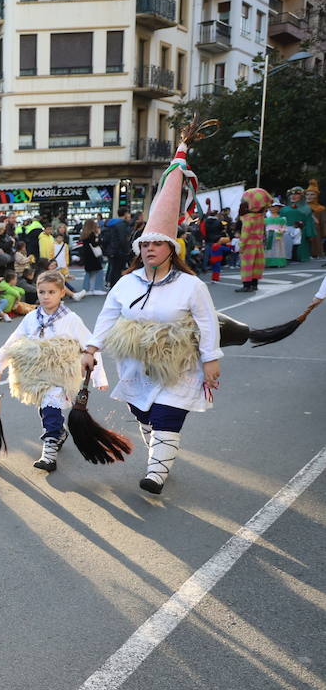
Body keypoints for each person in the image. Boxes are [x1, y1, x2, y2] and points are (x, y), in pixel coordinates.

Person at [85, 138, 222, 495]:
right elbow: (108, 315)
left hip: (178, 364)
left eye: (156, 244)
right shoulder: (126, 282)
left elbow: (207, 323)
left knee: (165, 417)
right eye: (145, 245)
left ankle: (156, 472)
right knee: (145, 415)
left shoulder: (191, 287)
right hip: (134, 363)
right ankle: (159, 456)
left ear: (170, 249)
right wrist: (91, 348)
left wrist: (210, 360)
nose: (149, 249)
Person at [0, 271, 108, 472]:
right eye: (41, 291)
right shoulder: (31, 318)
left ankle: (49, 451)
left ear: (62, 293)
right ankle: (59, 433)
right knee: (45, 408)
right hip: (37, 376)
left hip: (61, 375)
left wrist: (98, 377)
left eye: (51, 292)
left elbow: (90, 347)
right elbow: (13, 342)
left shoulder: (71, 320)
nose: (46, 296)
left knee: (51, 406)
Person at [235, 188, 272, 292]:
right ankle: (254, 284)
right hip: (259, 244)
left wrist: (241, 246)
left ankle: (246, 285)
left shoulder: (248, 218)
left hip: (249, 246)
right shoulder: (261, 216)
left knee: (247, 265)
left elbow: (245, 234)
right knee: (257, 265)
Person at [101, 209, 133, 288]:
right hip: (119, 251)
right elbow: (122, 239)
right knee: (118, 271)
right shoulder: (122, 225)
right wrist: (127, 250)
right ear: (125, 214)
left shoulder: (110, 223)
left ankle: (111, 284)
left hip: (111, 250)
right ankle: (116, 287)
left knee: (113, 269)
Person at [75, 219, 106, 295]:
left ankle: (87, 289)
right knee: (99, 271)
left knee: (88, 273)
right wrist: (99, 238)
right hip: (93, 256)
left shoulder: (84, 234)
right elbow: (95, 244)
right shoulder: (92, 234)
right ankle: (97, 288)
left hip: (87, 256)